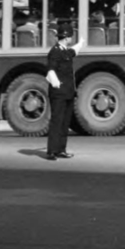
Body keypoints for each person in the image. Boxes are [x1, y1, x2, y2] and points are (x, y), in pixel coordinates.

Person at [44, 28, 77, 161]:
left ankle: (61, 149)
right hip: (58, 93)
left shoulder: (65, 51)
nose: (71, 39)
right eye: (70, 37)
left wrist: (81, 43)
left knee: (65, 122)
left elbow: (74, 51)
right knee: (57, 121)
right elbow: (50, 69)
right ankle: (51, 151)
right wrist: (55, 82)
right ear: (66, 38)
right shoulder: (55, 52)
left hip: (68, 92)